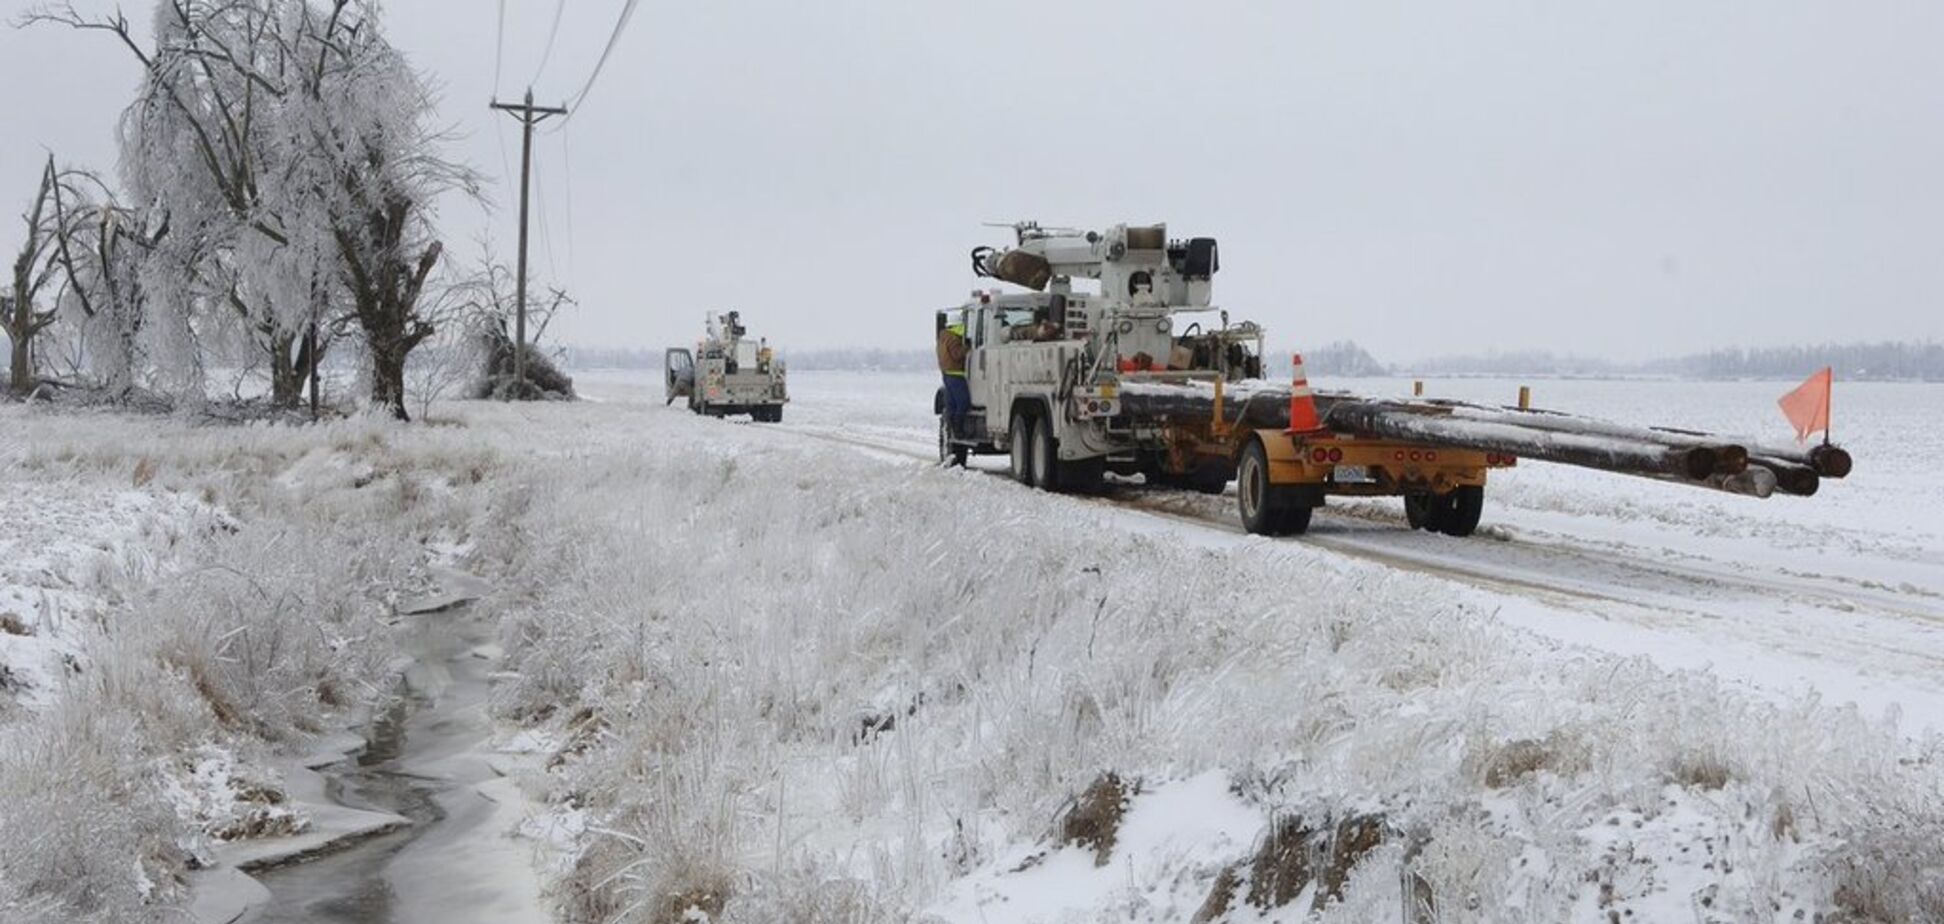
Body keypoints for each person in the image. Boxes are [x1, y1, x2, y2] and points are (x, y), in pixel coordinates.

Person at [937, 319, 969, 438]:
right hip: (956, 375)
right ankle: (958, 428)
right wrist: (967, 348)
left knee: (951, 404)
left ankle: (950, 428)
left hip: (947, 374)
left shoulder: (943, 338)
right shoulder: (953, 338)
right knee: (963, 402)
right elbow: (957, 354)